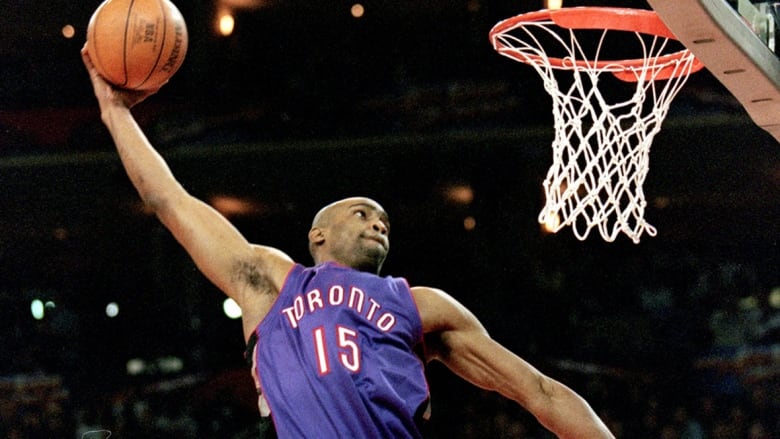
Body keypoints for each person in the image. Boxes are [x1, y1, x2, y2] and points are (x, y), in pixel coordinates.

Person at [81, 47, 615, 439]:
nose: (378, 222)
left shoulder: (422, 305)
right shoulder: (271, 282)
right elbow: (170, 200)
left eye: (384, 219)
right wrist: (115, 113)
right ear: (318, 235)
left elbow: (537, 391)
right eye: (362, 214)